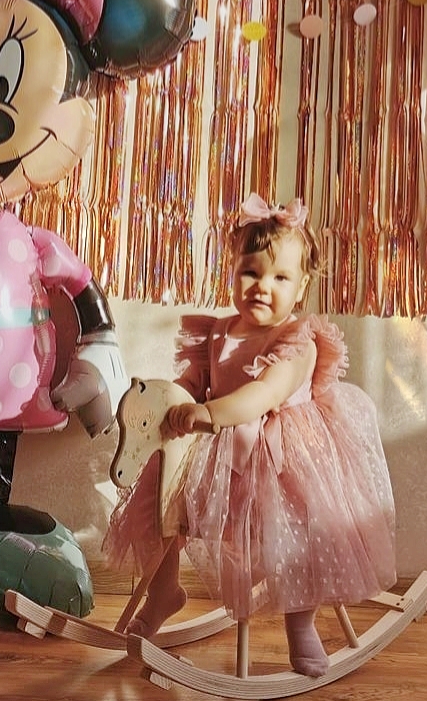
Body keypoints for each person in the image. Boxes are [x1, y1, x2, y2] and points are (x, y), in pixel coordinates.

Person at [104, 194, 397, 676]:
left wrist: (206, 413)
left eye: (280, 277)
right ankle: (163, 594)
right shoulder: (216, 333)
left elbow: (262, 395)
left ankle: (301, 624)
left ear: (301, 287)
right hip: (214, 453)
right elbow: (193, 384)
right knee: (159, 506)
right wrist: (173, 401)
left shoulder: (298, 341)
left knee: (299, 534)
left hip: (280, 458)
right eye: (250, 272)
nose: (262, 286)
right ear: (233, 271)